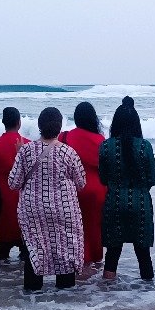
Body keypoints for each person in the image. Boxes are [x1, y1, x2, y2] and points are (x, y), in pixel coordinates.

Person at [8, 107, 87, 292]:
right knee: (66, 251)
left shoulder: (26, 151)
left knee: (34, 250)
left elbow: (13, 183)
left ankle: (33, 299)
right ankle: (63, 301)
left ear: (39, 126)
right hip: (64, 210)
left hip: (33, 211)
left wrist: (18, 154)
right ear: (59, 127)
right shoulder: (69, 152)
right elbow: (81, 183)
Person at [99, 97, 155, 280]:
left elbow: (103, 178)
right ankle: (149, 294)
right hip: (140, 204)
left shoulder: (105, 146)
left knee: (112, 256)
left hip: (114, 203)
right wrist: (140, 187)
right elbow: (153, 179)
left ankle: (107, 295)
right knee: (144, 256)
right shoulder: (145, 146)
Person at [59, 102, 106, 264]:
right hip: (97, 191)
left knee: (73, 228)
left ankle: (77, 261)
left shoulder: (64, 137)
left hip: (71, 189)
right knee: (94, 228)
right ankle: (95, 263)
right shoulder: (101, 140)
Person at [0, 107, 31, 261]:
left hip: (2, 202)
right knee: (26, 260)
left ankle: (2, 277)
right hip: (23, 203)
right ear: (19, 123)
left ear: (3, 122)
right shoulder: (29, 145)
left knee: (2, 258)